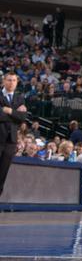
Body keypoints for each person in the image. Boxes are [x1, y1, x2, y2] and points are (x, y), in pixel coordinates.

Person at [0, 73, 28, 201]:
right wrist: (15, 114)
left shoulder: (20, 98)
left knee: (3, 173)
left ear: (17, 83)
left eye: (14, 80)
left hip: (11, 141)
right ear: (3, 81)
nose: (11, 82)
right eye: (9, 80)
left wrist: (9, 111)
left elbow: (22, 118)